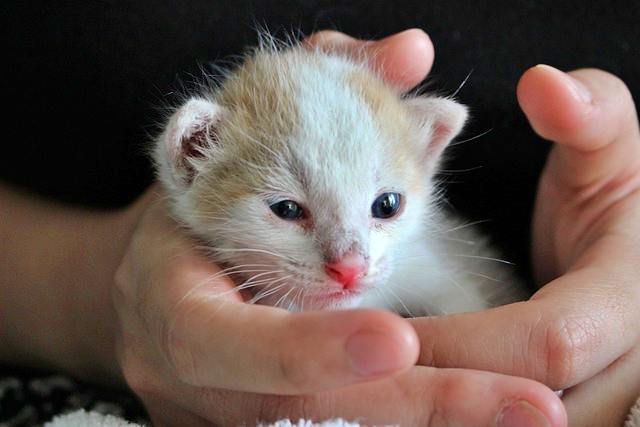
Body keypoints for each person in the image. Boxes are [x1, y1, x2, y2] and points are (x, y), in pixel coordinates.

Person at [2, 11, 639, 427]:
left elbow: (471, 306)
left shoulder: (427, 272)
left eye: (386, 207)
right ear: (192, 158)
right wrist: (91, 301)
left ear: (428, 150)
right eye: (287, 210)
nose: (350, 261)